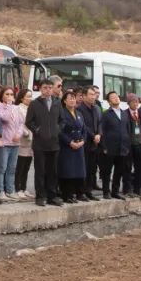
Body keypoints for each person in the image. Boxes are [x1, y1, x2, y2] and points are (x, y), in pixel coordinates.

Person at [26, 76, 64, 207]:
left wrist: (57, 130)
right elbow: (29, 121)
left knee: (53, 171)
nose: (47, 90)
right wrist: (37, 130)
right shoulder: (34, 103)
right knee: (40, 171)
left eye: (49, 88)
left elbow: (62, 120)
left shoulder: (57, 102)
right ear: (40, 89)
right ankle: (40, 196)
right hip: (40, 144)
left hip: (54, 143)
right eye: (44, 88)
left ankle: (52, 196)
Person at [98, 90, 132, 200]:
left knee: (119, 171)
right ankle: (106, 192)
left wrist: (127, 145)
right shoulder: (106, 114)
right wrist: (103, 147)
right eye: (112, 97)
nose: (116, 98)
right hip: (110, 147)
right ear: (108, 102)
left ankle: (115, 191)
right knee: (107, 172)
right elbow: (102, 131)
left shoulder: (124, 114)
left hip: (122, 148)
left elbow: (128, 130)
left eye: (116, 96)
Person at [57, 90, 87, 203]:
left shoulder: (79, 113)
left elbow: (84, 129)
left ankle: (78, 193)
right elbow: (60, 131)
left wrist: (83, 141)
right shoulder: (62, 113)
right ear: (64, 101)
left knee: (79, 171)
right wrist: (70, 142)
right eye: (70, 98)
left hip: (79, 145)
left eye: (74, 98)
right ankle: (67, 195)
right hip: (67, 146)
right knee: (67, 171)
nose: (73, 100)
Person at [0, 86, 23, 199]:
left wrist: (18, 134)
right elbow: (5, 118)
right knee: (2, 168)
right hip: (4, 143)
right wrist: (9, 106)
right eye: (7, 94)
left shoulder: (16, 108)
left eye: (11, 94)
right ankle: (0, 190)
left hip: (15, 142)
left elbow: (21, 123)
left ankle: (10, 190)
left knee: (12, 168)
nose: (10, 96)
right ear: (2, 95)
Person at [75, 86, 102, 201]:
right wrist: (93, 135)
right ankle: (80, 192)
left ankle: (89, 191)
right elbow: (83, 126)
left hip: (95, 143)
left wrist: (99, 134)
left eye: (94, 94)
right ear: (84, 96)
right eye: (91, 94)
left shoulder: (96, 108)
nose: (93, 96)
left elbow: (100, 123)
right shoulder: (79, 109)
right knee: (83, 168)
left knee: (92, 169)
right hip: (85, 142)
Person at [124, 94, 141, 198]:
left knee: (140, 167)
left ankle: (139, 188)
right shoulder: (125, 114)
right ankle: (128, 188)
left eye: (137, 102)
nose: (136, 104)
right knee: (127, 167)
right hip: (129, 145)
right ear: (129, 103)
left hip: (140, 143)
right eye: (133, 102)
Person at [14, 88, 34, 199]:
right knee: (20, 166)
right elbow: (19, 124)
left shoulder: (31, 108)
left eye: (31, 96)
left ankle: (24, 188)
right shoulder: (18, 109)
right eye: (28, 96)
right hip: (23, 139)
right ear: (22, 97)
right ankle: (18, 188)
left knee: (27, 166)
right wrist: (26, 133)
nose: (30, 99)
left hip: (31, 141)